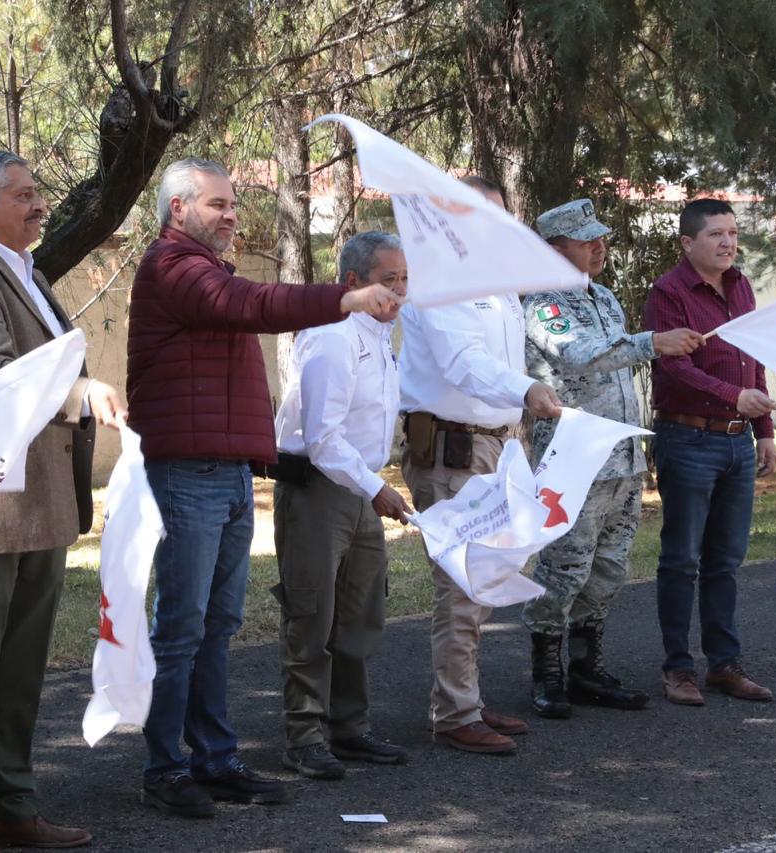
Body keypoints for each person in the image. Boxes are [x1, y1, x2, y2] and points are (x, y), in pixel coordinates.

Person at [127, 158, 400, 818]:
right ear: (178, 210)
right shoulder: (172, 266)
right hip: (187, 473)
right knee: (182, 627)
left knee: (217, 624)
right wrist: (343, 298)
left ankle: (215, 758)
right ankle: (167, 768)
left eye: (232, 204)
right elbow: (254, 304)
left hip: (226, 471)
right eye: (218, 204)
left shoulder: (206, 270)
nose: (231, 215)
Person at [0, 150, 124, 852]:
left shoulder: (27, 272)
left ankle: (12, 808)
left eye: (38, 192)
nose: (41, 204)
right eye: (25, 194)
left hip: (39, 504)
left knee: (21, 672)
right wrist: (80, 396)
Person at [521, 199, 705, 719]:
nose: (599, 246)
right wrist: (654, 341)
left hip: (621, 460)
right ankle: (547, 671)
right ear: (555, 251)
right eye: (586, 240)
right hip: (575, 461)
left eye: (601, 236)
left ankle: (585, 667)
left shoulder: (603, 299)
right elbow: (580, 355)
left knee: (609, 567)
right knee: (564, 567)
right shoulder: (544, 304)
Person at [398, 176, 563, 755]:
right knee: (462, 586)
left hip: (495, 445)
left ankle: (464, 695)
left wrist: (521, 407)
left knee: (486, 579)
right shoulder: (439, 282)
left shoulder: (494, 286)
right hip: (451, 451)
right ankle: (456, 712)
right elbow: (464, 363)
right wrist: (526, 389)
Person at [269, 231, 412, 780]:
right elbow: (324, 437)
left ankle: (349, 727)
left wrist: (370, 484)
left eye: (403, 280)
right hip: (319, 490)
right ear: (351, 283)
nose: (398, 292)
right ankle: (304, 735)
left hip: (357, 487)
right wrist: (375, 488)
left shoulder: (381, 337)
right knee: (312, 614)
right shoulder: (334, 335)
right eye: (386, 280)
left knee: (360, 613)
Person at [644, 197, 776, 707]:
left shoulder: (741, 285)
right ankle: (677, 668)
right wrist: (733, 398)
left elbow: (755, 357)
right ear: (687, 242)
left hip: (737, 443)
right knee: (682, 559)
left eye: (732, 232)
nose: (727, 242)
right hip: (688, 438)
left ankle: (724, 664)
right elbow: (674, 367)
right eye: (715, 234)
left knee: (726, 560)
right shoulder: (669, 292)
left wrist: (763, 428)